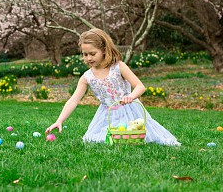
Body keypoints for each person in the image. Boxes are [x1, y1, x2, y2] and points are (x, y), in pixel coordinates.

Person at [45, 28, 181, 146]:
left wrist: (131, 96)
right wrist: (59, 120)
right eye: (85, 54)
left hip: (130, 111)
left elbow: (140, 86)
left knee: (137, 136)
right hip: (107, 115)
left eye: (92, 54)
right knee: (98, 139)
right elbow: (73, 100)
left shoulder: (118, 67)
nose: (88, 58)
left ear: (104, 50)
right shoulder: (87, 77)